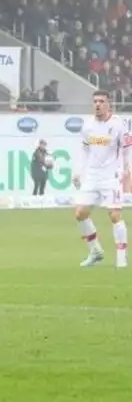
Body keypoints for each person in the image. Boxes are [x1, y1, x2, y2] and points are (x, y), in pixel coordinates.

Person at [72, 90, 129, 269]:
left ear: (108, 103)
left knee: (114, 215)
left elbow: (128, 149)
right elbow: (85, 150)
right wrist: (78, 171)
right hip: (92, 176)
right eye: (95, 101)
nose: (97, 104)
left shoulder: (118, 124)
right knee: (80, 214)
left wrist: (128, 170)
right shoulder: (88, 126)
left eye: (101, 101)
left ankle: (121, 258)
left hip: (111, 175)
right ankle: (95, 251)